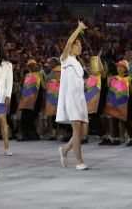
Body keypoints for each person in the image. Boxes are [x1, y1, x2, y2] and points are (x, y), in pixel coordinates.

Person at [57, 21, 89, 170]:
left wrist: (86, 85)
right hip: (70, 99)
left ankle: (64, 150)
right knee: (76, 130)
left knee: (82, 133)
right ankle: (79, 161)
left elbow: (78, 81)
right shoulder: (65, 59)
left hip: (81, 99)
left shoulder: (79, 64)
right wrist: (78, 28)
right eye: (77, 44)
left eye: (81, 45)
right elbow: (69, 41)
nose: (80, 47)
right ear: (71, 48)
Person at [101, 60, 131, 145]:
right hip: (113, 103)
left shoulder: (129, 78)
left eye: (121, 67)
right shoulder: (113, 78)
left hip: (124, 103)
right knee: (115, 121)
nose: (119, 68)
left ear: (126, 69)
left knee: (125, 122)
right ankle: (117, 138)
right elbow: (109, 90)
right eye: (118, 67)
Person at [0, 42, 14, 156]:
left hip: (0, 95)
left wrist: (8, 95)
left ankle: (7, 147)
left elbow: (9, 82)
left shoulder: (8, 65)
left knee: (2, 120)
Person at [16, 59, 42, 141]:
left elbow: (43, 88)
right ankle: (32, 134)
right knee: (27, 118)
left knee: (28, 118)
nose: (31, 67)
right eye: (29, 66)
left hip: (35, 100)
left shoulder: (39, 74)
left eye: (32, 65)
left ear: (36, 65)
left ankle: (28, 135)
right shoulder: (29, 76)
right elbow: (24, 87)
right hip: (27, 101)